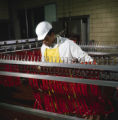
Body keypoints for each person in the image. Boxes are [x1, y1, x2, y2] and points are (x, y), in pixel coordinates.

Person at [34, 21, 114, 120]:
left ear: (52, 34)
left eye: (46, 39)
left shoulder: (67, 44)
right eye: (42, 40)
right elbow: (44, 62)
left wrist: (97, 69)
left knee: (71, 107)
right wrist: (40, 66)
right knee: (56, 107)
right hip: (53, 84)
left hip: (68, 84)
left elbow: (84, 57)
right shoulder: (43, 47)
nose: (44, 42)